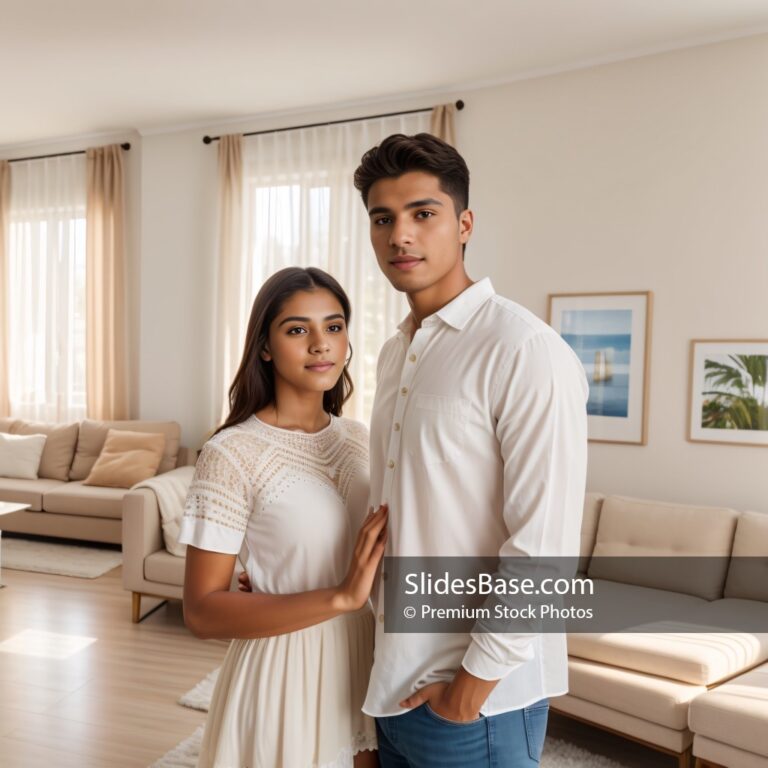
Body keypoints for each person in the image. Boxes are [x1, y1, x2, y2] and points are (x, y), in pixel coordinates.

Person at [352, 134, 589, 767]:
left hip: (476, 703)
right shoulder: (396, 352)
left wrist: (468, 692)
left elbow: (544, 547)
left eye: (422, 214)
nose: (401, 235)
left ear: (464, 225)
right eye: (383, 218)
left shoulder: (525, 351)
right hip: (393, 683)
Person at [178, 266, 385, 768]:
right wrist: (339, 595)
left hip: (369, 664)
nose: (321, 345)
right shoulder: (231, 453)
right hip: (285, 673)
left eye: (334, 327)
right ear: (265, 347)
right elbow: (202, 611)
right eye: (298, 330)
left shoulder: (360, 439)